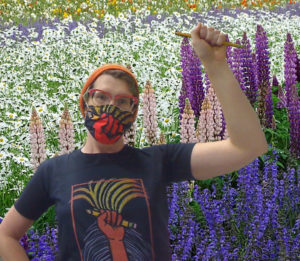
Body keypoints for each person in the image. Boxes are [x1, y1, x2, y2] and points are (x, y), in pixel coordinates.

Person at [0, 22, 268, 261]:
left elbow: (248, 146)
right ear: (84, 105)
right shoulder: (53, 171)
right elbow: (5, 235)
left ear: (134, 113)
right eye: (101, 97)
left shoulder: (160, 161)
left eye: (122, 102)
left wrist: (216, 64)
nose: (109, 107)